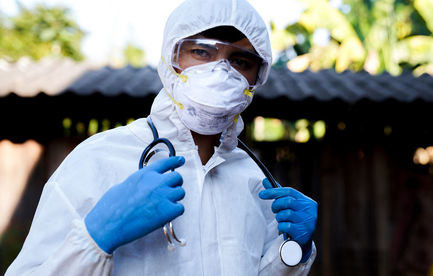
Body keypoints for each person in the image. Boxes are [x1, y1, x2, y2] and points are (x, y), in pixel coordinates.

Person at [6, 0, 318, 274]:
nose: (221, 71)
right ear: (171, 59)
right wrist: (95, 238)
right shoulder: (97, 160)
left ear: (256, 77)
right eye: (200, 51)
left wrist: (294, 253)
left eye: (240, 61)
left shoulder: (256, 183)